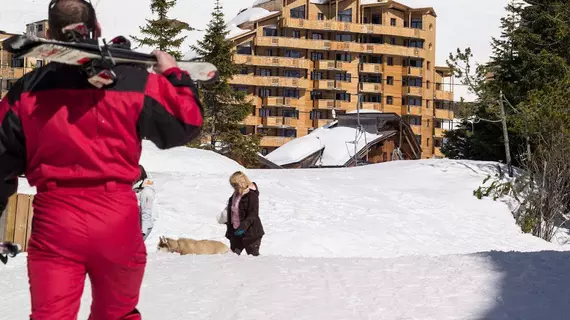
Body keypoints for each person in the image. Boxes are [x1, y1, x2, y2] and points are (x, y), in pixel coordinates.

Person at [0, 0, 203, 319]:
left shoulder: (24, 93)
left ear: (50, 35)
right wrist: (174, 75)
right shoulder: (135, 82)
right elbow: (185, 125)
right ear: (97, 30)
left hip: (56, 220)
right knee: (117, 314)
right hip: (116, 218)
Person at [222, 171, 265, 256]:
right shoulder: (234, 196)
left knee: (253, 258)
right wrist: (229, 228)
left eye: (235, 185)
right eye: (232, 185)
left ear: (241, 183)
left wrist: (243, 227)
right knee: (232, 257)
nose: (234, 187)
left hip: (251, 233)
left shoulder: (252, 195)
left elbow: (253, 214)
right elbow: (232, 213)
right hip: (236, 233)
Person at [133, 165, 157, 241]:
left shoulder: (146, 193)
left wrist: (142, 232)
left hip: (143, 226)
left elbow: (146, 212)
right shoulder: (138, 188)